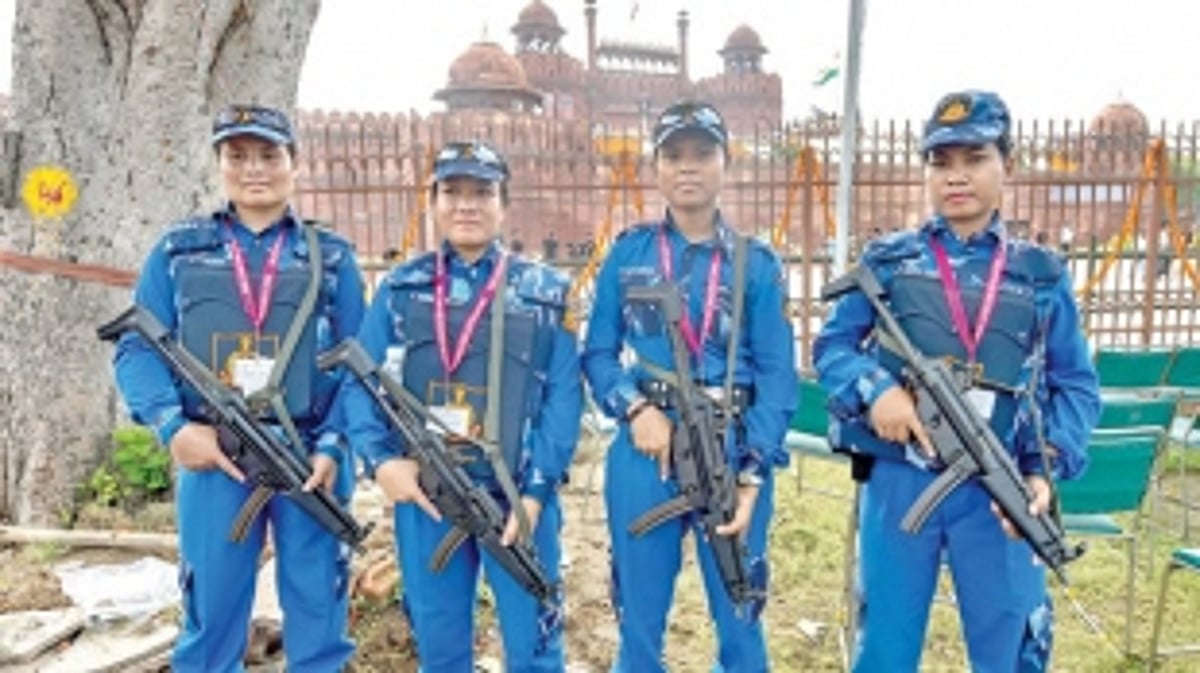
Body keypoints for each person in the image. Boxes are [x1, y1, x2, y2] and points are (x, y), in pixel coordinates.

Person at [813, 90, 1102, 672]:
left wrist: (1043, 468)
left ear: (1007, 165)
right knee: (885, 649)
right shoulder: (890, 262)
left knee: (1009, 649)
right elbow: (833, 348)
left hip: (999, 488)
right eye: (941, 162)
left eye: (975, 158)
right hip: (901, 480)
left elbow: (1075, 384)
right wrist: (877, 391)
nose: (956, 176)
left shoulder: (1040, 275)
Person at [112, 104, 365, 672]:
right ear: (220, 164)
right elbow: (137, 349)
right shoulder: (179, 250)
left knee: (320, 616)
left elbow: (360, 366)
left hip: (309, 458)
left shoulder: (332, 257)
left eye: (269, 155)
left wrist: (335, 444)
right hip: (215, 455)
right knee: (211, 615)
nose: (254, 169)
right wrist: (172, 427)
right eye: (238, 155)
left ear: (294, 163)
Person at [339, 140, 581, 671]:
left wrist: (537, 492)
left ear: (504, 204)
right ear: (433, 201)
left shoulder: (545, 292)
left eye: (481, 192)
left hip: (518, 499)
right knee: (439, 645)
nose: (466, 205)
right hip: (427, 498)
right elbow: (360, 382)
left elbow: (564, 395)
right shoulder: (400, 290)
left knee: (535, 648)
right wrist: (382, 462)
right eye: (452, 191)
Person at [582, 100, 798, 672]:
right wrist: (634, 410)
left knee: (741, 614)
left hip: (732, 447)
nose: (687, 166)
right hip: (646, 451)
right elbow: (597, 354)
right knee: (638, 622)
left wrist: (754, 470)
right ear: (656, 167)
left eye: (702, 153)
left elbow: (778, 376)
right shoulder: (628, 254)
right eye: (673, 154)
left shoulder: (757, 263)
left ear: (726, 163)